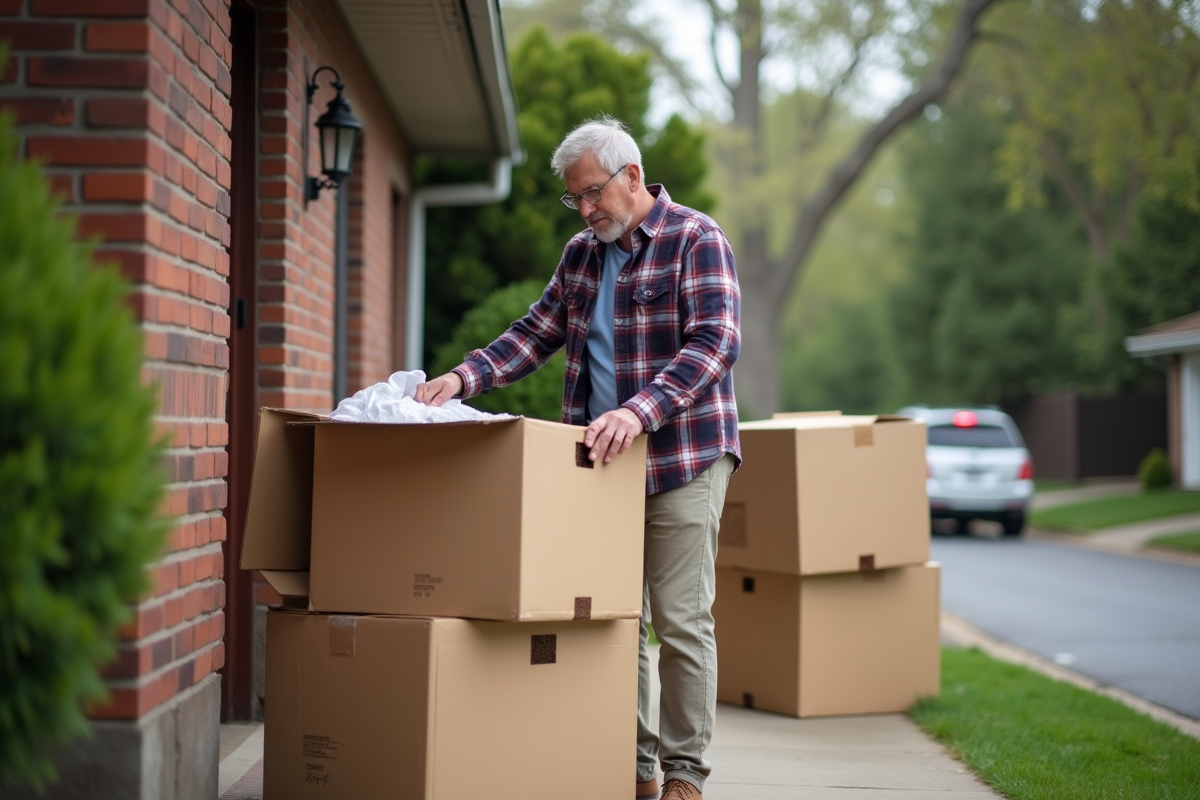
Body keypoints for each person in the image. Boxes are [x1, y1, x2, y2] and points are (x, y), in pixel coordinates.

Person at [415, 117, 740, 800]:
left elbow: (714, 343)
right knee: (615, 620)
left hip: (683, 456)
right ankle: (634, 768)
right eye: (576, 200)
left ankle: (685, 775)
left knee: (680, 621)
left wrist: (636, 410)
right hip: (600, 467)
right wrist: (463, 378)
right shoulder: (582, 254)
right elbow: (535, 330)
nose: (586, 210)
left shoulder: (697, 240)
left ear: (631, 175)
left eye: (593, 193)